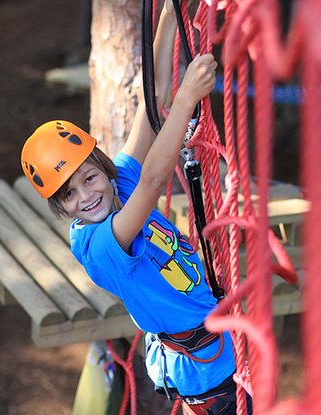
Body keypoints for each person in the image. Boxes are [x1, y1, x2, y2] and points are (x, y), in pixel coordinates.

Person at [20, 3, 250, 414]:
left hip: (218, 340)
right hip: (205, 370)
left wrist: (168, 15)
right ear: (60, 207)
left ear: (102, 167)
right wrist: (187, 99)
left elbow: (153, 99)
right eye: (69, 195)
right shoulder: (98, 245)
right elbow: (154, 182)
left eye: (89, 178)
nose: (86, 196)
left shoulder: (118, 183)